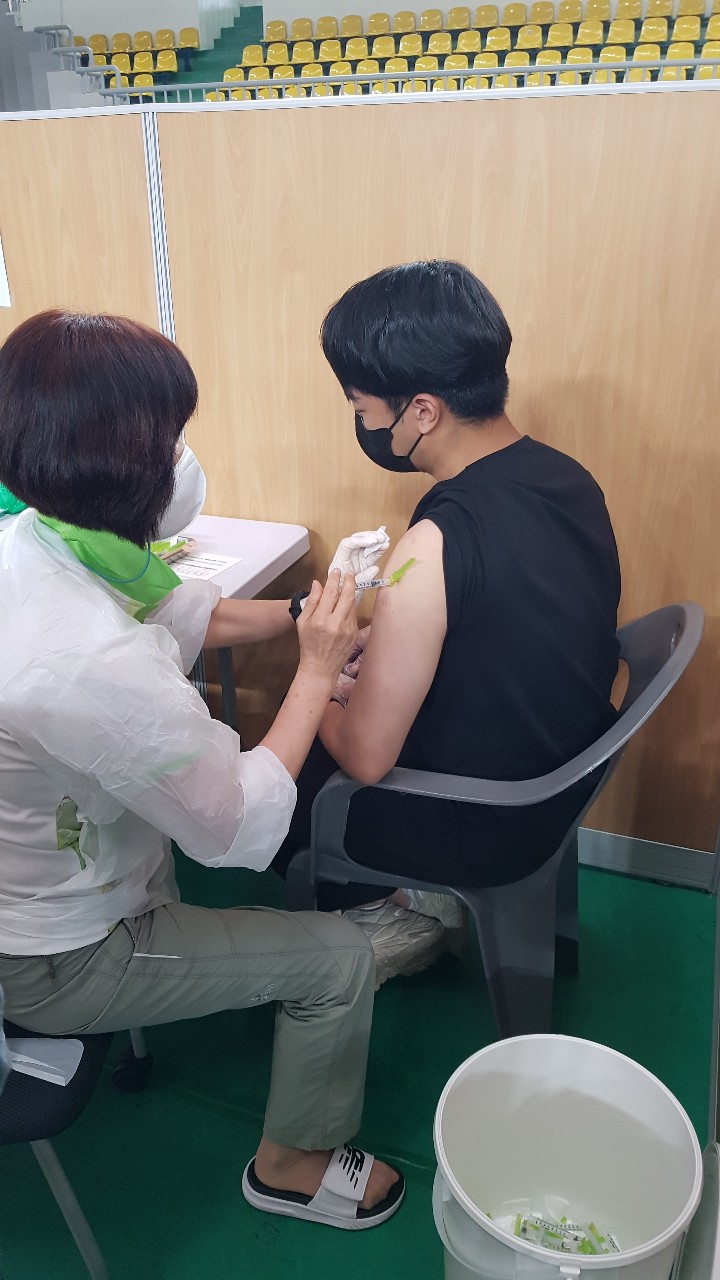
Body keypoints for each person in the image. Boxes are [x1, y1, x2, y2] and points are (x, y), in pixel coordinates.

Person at [0, 310, 403, 1230]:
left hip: (47, 870)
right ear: (127, 464)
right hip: (59, 954)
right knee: (340, 958)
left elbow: (185, 609)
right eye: (172, 438)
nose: (185, 457)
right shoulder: (84, 664)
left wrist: (304, 615)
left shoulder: (41, 538)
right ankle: (291, 1166)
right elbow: (238, 827)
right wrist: (315, 671)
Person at [274, 260, 621, 987]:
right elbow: (508, 619)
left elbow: (366, 758)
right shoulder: (569, 479)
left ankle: (394, 916)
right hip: (560, 778)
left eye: (363, 409)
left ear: (423, 412)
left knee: (290, 776)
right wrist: (387, 644)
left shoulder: (431, 545)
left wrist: (322, 686)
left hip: (486, 819)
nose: (364, 426)